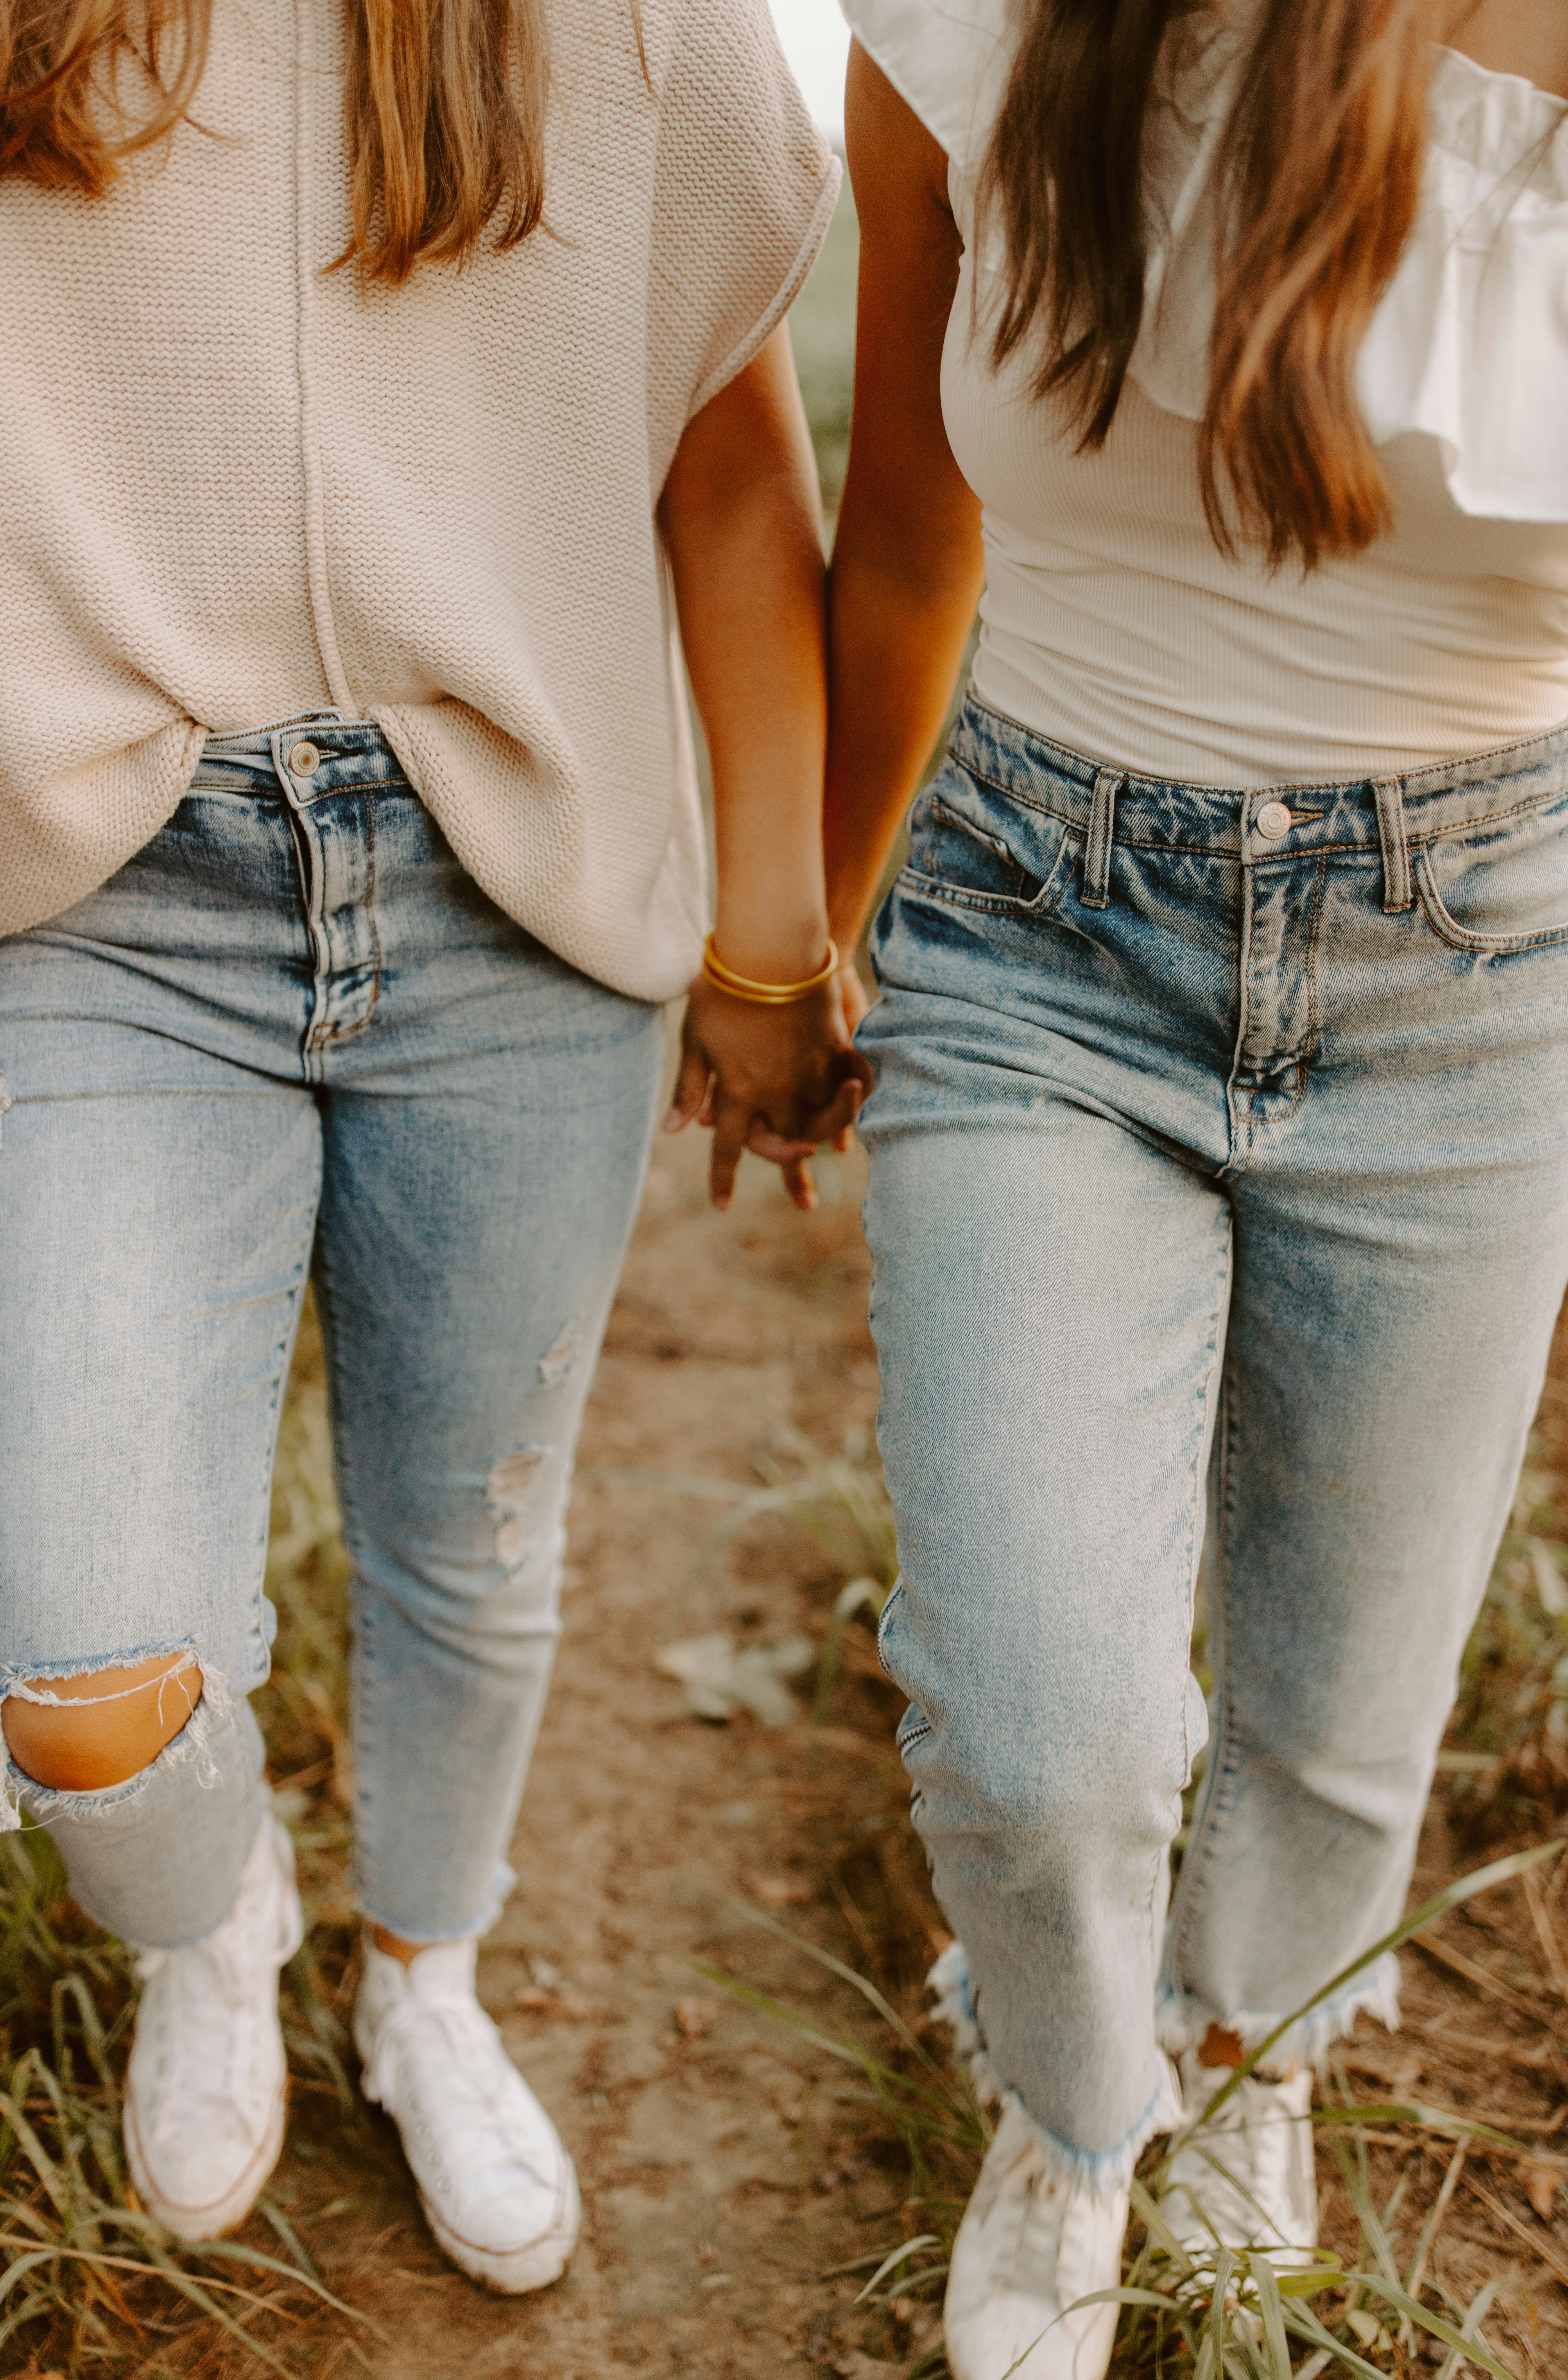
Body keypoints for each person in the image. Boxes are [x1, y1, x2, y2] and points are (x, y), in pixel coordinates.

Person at [0, 0, 865, 2293]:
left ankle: (420, 1972)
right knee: (78, 1666)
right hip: (97, 892)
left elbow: (733, 473)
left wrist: (772, 947)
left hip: (510, 893)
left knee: (472, 1536)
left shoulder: (637, 32)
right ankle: (217, 1924)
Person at [824, 0, 1568, 2372]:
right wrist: (795, 927)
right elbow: (901, 523)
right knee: (1035, 1718)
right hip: (1035, 927)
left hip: (1473, 965)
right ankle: (1066, 2094)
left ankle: (1237, 2062)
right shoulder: (977, 26)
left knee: (1342, 1713)